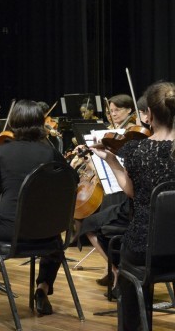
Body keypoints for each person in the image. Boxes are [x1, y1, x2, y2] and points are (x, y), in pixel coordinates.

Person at [0, 100, 68, 314]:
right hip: (47, 234)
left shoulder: (4, 152)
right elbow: (67, 182)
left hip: (10, 231)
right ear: (39, 122)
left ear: (14, 122)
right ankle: (42, 287)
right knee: (55, 237)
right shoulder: (50, 152)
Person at [90, 81, 175, 330]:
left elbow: (131, 192)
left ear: (148, 115)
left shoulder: (137, 150)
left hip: (145, 248)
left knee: (128, 269)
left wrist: (113, 162)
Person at [77, 93, 135, 292]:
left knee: (98, 225)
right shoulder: (110, 132)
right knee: (98, 221)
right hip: (115, 187)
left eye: (118, 109)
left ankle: (118, 270)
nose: (113, 114)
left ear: (130, 110)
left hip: (125, 190)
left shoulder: (132, 133)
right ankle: (112, 269)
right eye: (111, 110)